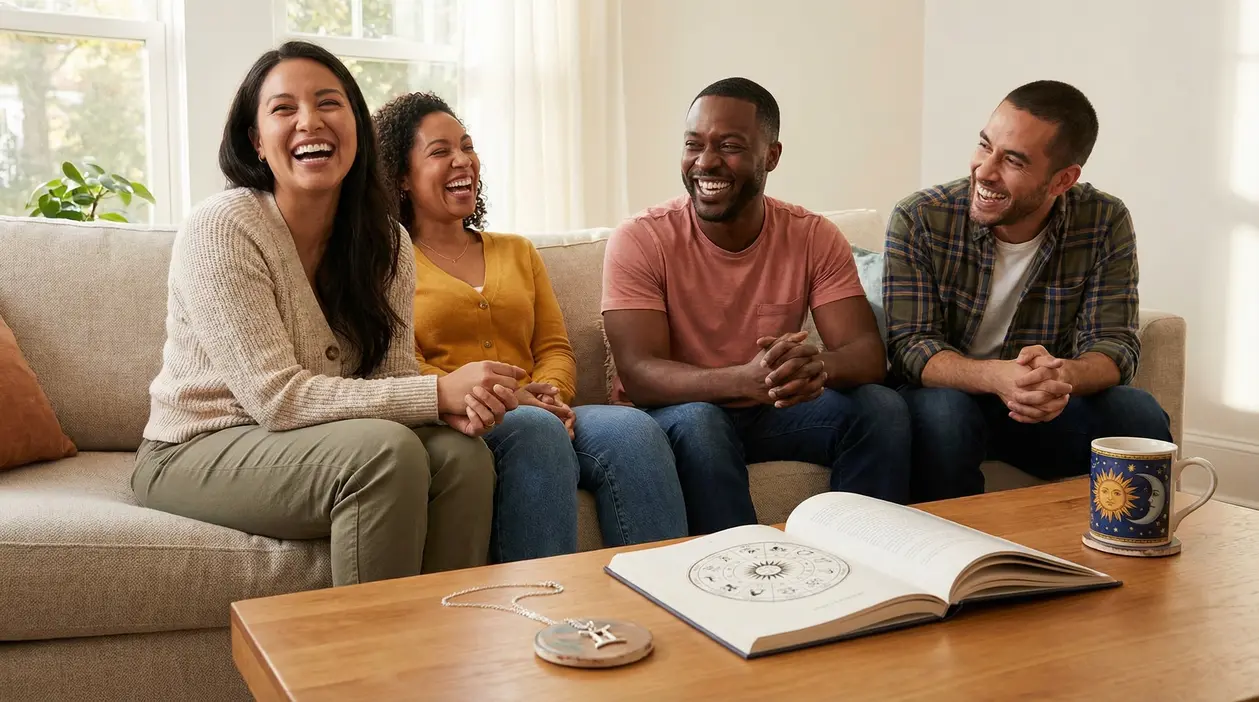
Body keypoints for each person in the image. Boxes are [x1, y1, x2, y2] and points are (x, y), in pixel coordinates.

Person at [132, 41, 519, 586]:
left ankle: (443, 655)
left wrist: (449, 410)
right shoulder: (223, 228)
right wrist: (437, 395)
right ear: (257, 141)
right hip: (194, 449)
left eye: (329, 103)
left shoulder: (385, 240)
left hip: (312, 438)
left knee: (464, 457)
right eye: (284, 108)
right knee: (384, 456)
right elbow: (277, 398)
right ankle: (370, 669)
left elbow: (390, 377)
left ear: (357, 127)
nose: (310, 121)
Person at [373, 91, 689, 562]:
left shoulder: (516, 251)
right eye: (440, 152)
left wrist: (552, 397)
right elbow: (401, 366)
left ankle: (669, 605)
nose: (462, 160)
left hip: (543, 410)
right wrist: (516, 403)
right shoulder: (387, 265)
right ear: (401, 178)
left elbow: (555, 346)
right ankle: (538, 617)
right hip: (464, 422)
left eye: (467, 145)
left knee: (634, 430)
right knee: (535, 433)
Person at [601, 77, 912, 535]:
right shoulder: (642, 239)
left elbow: (866, 354)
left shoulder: (812, 235)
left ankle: (864, 563)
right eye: (693, 145)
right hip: (675, 412)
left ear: (771, 156)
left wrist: (815, 367)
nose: (706, 162)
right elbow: (640, 374)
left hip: (769, 410)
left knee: (881, 408)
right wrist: (743, 380)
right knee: (702, 422)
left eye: (728, 146)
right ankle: (741, 579)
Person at [884, 79, 1173, 502]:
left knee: (1137, 412)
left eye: (1013, 161)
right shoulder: (921, 217)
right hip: (949, 400)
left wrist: (1057, 376)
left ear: (1062, 180)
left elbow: (1115, 346)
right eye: (985, 146)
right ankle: (954, 559)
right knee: (945, 414)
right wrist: (997, 377)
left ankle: (1132, 552)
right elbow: (910, 347)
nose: (984, 170)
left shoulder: (1103, 220)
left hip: (1043, 407)